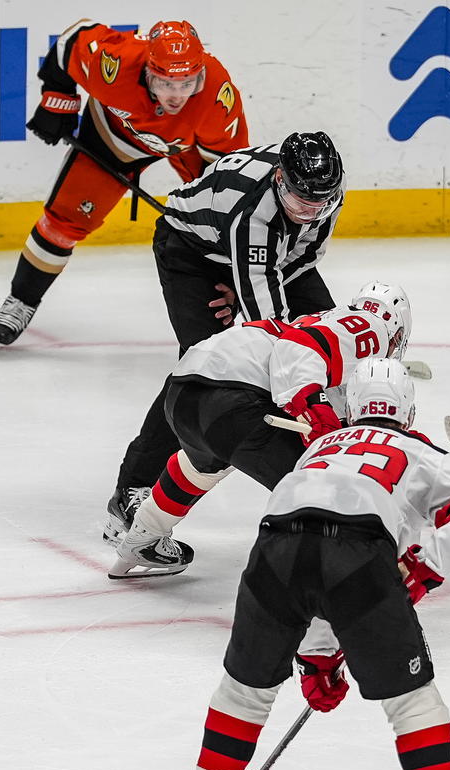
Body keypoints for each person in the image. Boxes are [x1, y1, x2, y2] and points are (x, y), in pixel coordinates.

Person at [185, 357, 450, 770]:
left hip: (274, 544)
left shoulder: (317, 449)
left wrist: (317, 657)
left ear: (350, 406)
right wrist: (424, 566)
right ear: (407, 406)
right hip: (358, 551)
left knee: (244, 692)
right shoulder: (423, 452)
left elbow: (310, 557)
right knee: (414, 704)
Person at [102, 131, 346, 544]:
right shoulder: (253, 214)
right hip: (191, 252)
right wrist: (247, 283)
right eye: (300, 202)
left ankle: (346, 448)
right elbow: (271, 334)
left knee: (328, 334)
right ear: (278, 180)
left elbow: (303, 254)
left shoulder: (325, 191)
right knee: (201, 369)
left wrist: (247, 282)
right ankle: (132, 488)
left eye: (319, 202)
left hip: (253, 254)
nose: (310, 211)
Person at [108, 280, 411, 578]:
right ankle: (351, 580)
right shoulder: (374, 327)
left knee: (201, 464)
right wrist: (318, 416)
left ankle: (140, 540)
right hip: (234, 394)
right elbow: (301, 350)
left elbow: (311, 367)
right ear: (398, 331)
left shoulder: (327, 318)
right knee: (323, 486)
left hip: (184, 391)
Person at [0, 19, 249, 346]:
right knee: (64, 221)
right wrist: (58, 97)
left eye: (186, 83)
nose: (176, 96)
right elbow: (70, 42)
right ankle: (21, 301)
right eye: (166, 83)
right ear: (147, 73)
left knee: (220, 218)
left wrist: (215, 224)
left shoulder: (216, 97)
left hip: (187, 146)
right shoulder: (116, 64)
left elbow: (230, 172)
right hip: (115, 137)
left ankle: (227, 309)